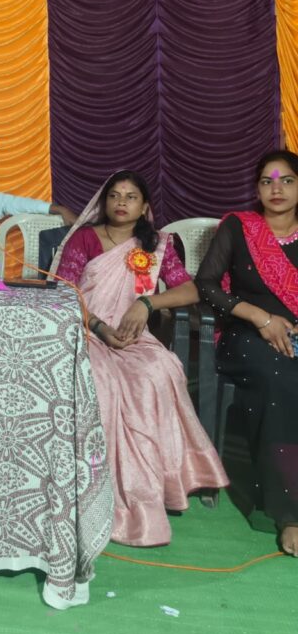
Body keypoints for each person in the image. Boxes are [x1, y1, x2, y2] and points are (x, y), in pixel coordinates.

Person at [54, 170, 227, 547]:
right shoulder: (86, 238)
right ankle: (92, 489)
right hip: (85, 331)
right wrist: (100, 328)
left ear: (145, 206)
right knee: (100, 381)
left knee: (161, 370)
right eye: (114, 195)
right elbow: (65, 294)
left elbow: (189, 291)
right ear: (104, 202)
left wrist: (147, 303)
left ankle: (153, 484)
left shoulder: (156, 244)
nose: (121, 202)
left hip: (135, 336)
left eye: (130, 196)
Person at [196, 149, 298, 557]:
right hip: (246, 336)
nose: (277, 189)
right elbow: (206, 285)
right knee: (281, 379)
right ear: (256, 188)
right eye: (267, 181)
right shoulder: (239, 227)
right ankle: (288, 514)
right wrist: (260, 317)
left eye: (287, 180)